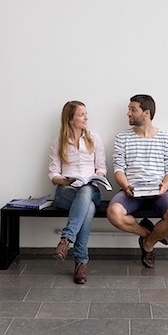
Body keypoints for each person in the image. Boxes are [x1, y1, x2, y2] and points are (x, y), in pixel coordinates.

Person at [107, 94, 168, 268]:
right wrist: (126, 186)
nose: (128, 113)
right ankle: (148, 233)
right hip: (131, 191)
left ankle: (147, 244)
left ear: (146, 113)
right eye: (129, 109)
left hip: (158, 192)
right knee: (113, 213)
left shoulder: (166, 138)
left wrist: (165, 186)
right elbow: (118, 169)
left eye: (133, 109)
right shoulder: (122, 137)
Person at [48, 100, 107, 284]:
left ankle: (66, 240)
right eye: (81, 114)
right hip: (67, 191)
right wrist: (64, 180)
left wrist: (97, 176)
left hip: (91, 189)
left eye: (86, 114)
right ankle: (81, 262)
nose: (86, 118)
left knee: (87, 191)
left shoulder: (94, 139)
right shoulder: (59, 142)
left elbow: (102, 168)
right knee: (87, 207)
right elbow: (53, 173)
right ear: (70, 118)